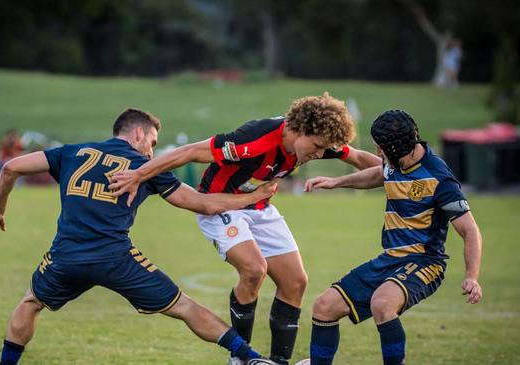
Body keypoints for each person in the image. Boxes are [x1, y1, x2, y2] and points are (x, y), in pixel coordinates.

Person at [0, 108, 282, 365]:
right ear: (138, 133)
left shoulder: (71, 152)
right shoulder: (147, 166)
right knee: (184, 306)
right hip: (116, 259)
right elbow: (204, 204)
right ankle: (251, 358)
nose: (153, 150)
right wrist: (251, 197)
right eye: (153, 141)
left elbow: (10, 167)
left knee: (31, 302)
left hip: (66, 256)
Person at [109, 93, 381, 365]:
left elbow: (357, 156)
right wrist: (139, 174)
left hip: (259, 207)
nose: (320, 154)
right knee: (254, 269)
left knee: (295, 282)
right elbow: (188, 152)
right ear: (300, 129)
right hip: (221, 206)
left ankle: (277, 362)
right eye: (318, 147)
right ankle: (241, 358)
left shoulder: (319, 137)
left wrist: (399, 171)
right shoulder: (254, 139)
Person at [299, 110, 482, 365]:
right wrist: (336, 182)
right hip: (390, 259)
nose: (378, 154)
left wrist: (471, 276)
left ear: (396, 149)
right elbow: (379, 174)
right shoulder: (395, 164)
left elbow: (470, 230)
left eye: (381, 149)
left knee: (382, 304)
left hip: (424, 262)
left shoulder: (438, 178)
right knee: (324, 307)